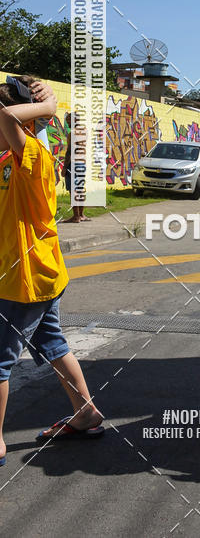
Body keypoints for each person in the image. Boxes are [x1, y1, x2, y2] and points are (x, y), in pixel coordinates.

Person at [0, 76, 103, 467]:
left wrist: (49, 106)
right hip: (36, 276)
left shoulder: (34, 160)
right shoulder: (8, 158)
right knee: (53, 345)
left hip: (23, 281)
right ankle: (87, 414)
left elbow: (10, 116)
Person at [62, 112, 90, 223]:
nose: (67, 122)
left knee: (73, 191)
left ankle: (76, 217)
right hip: (82, 163)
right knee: (80, 189)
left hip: (73, 164)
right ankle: (82, 215)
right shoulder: (84, 131)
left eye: (69, 120)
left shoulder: (72, 133)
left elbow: (69, 152)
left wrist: (64, 167)